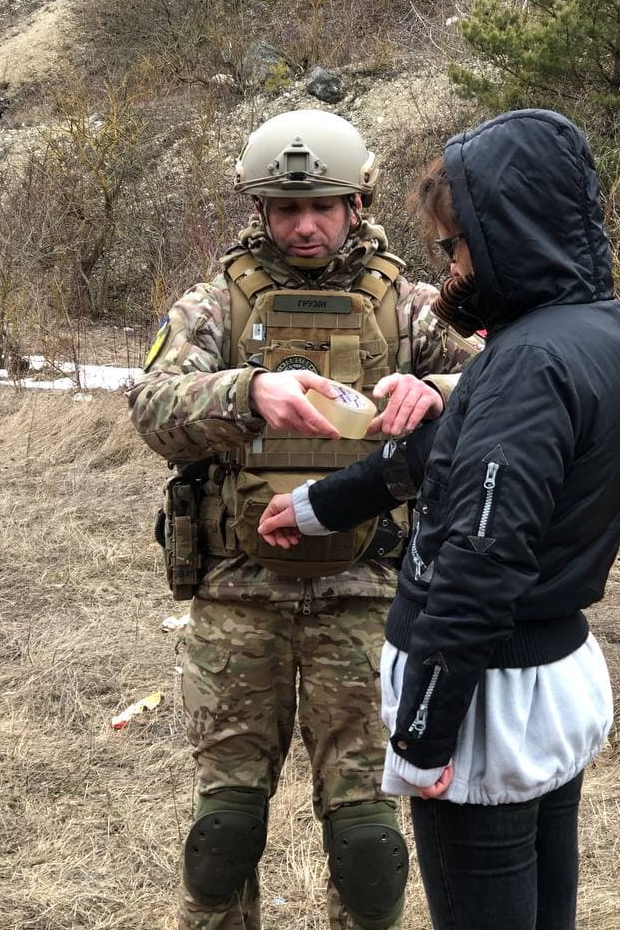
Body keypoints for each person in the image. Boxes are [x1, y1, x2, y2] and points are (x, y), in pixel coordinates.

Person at [257, 108, 620, 930]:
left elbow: (481, 557)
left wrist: (425, 736)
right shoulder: (595, 330)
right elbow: (446, 449)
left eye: (456, 247)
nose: (449, 270)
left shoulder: (528, 365)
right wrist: (316, 506)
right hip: (549, 678)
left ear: (507, 235)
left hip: (485, 704)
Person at [127, 109, 482, 930]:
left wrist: (439, 392)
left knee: (368, 852)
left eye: (323, 206)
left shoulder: (411, 306)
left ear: (358, 202)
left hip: (368, 599)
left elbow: (511, 387)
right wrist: (245, 392)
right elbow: (150, 408)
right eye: (287, 210)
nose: (306, 225)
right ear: (260, 212)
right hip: (239, 597)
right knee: (222, 836)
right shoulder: (217, 302)